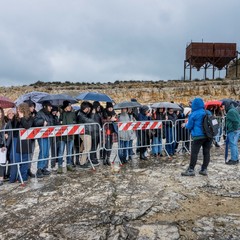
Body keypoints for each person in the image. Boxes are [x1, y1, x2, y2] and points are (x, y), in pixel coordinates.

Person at [181, 97, 212, 176]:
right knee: (206, 153)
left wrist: (185, 124)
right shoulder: (207, 112)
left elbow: (189, 126)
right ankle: (204, 169)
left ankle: (191, 170)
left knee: (194, 153)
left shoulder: (193, 114)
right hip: (208, 136)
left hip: (198, 136)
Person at [9, 103, 34, 183]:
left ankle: (23, 178)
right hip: (16, 139)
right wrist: (11, 118)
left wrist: (22, 117)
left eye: (19, 108)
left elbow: (27, 126)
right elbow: (12, 126)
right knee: (15, 159)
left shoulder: (30, 118)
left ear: (23, 109)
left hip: (25, 140)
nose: (17, 110)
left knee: (25, 160)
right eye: (17, 109)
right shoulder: (16, 117)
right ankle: (12, 178)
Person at [34, 101, 53, 178]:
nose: (51, 108)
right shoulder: (39, 113)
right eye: (49, 106)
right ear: (45, 106)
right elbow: (36, 122)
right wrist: (42, 122)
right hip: (41, 135)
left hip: (48, 135)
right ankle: (39, 169)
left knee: (46, 153)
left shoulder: (48, 114)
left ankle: (44, 167)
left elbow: (51, 123)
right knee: (42, 151)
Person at [57, 101, 76, 173]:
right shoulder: (61, 114)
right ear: (65, 107)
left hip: (71, 136)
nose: (70, 107)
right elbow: (58, 123)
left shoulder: (73, 113)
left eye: (70, 106)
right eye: (68, 106)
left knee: (69, 151)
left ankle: (69, 164)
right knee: (61, 151)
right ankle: (60, 166)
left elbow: (75, 121)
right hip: (62, 137)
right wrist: (58, 118)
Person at [77, 101, 96, 168]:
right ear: (86, 108)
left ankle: (82, 159)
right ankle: (82, 163)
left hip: (86, 132)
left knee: (84, 147)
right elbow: (90, 121)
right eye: (88, 108)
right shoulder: (81, 115)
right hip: (85, 133)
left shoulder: (84, 113)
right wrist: (93, 114)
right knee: (87, 148)